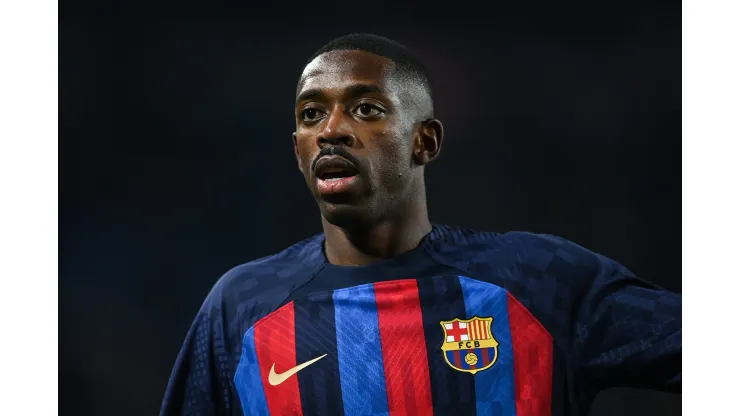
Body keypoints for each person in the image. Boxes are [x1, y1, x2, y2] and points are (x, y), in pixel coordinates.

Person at [160, 33, 681, 416]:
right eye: (312, 114)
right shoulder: (241, 307)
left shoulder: (540, 280)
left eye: (365, 109)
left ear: (425, 141)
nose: (332, 130)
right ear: (298, 152)